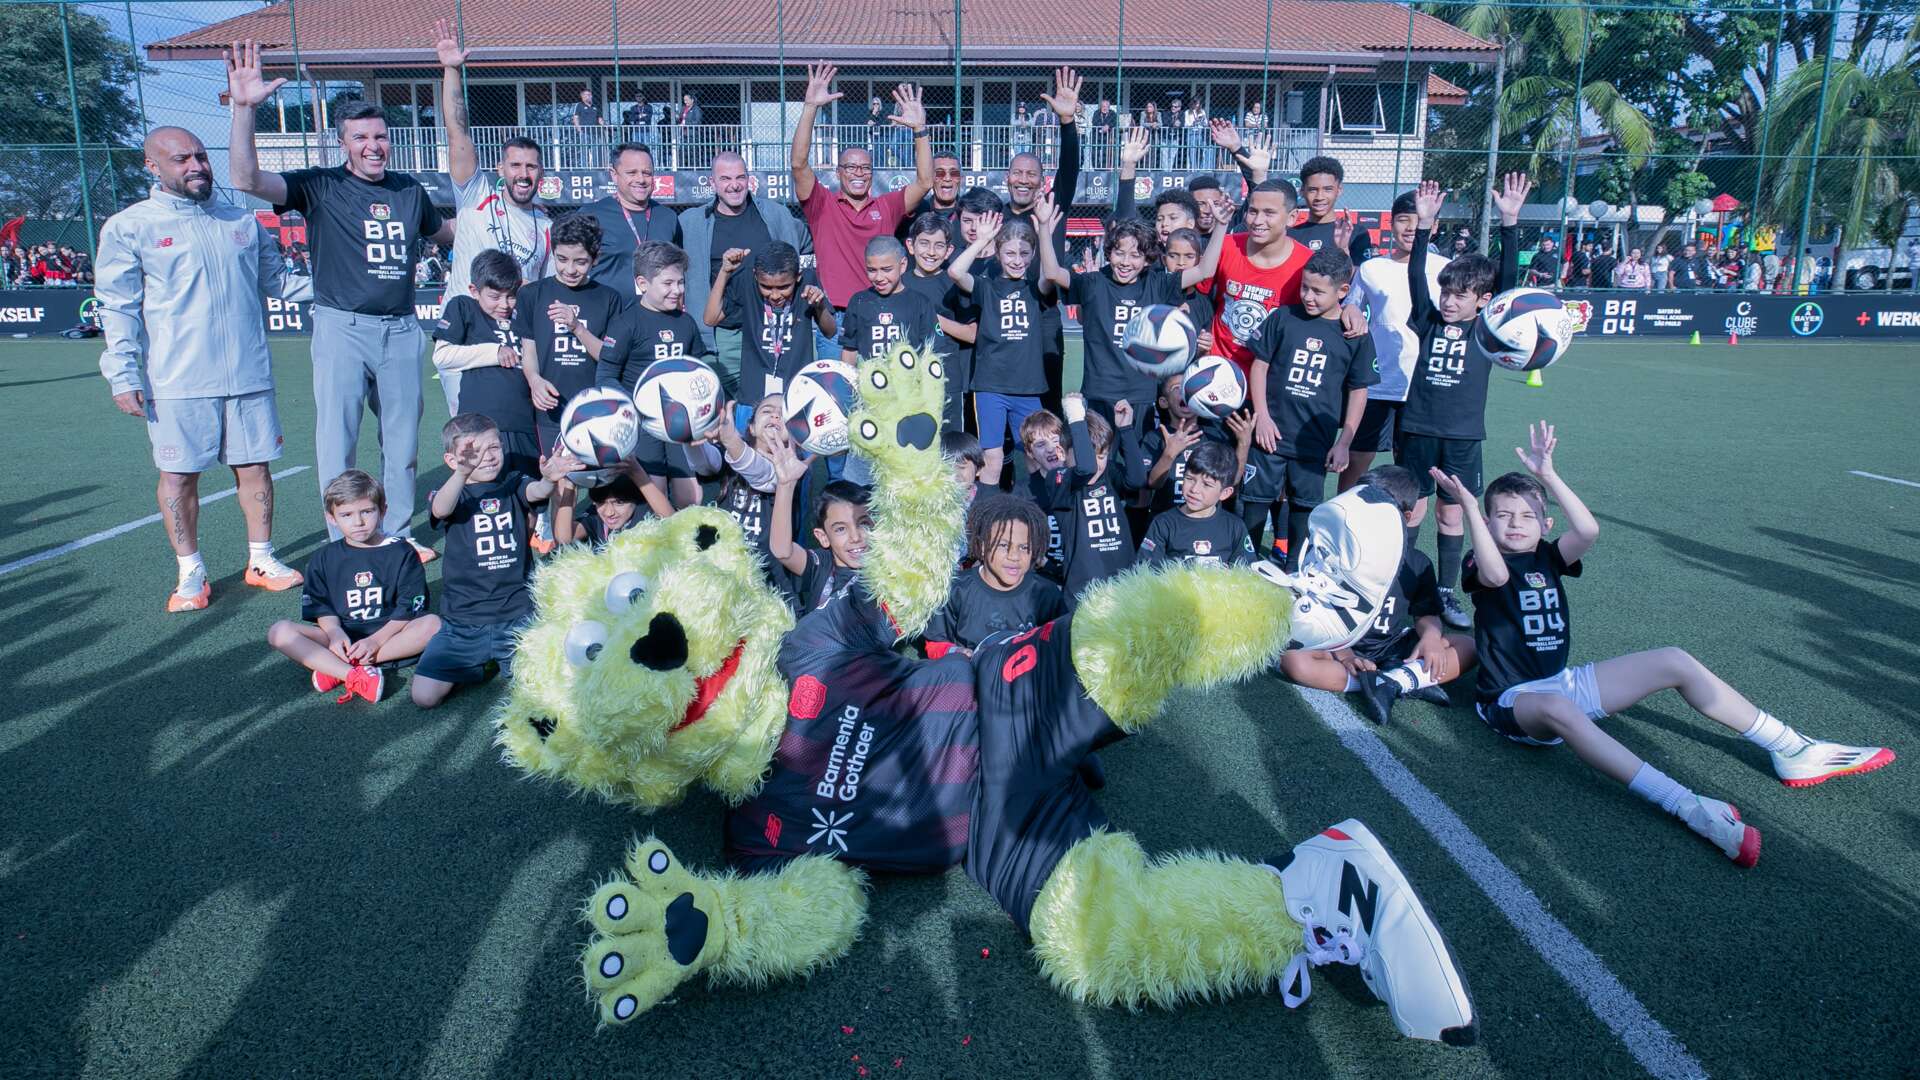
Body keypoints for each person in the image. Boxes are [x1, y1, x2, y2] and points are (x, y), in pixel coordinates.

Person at [1439, 423, 1893, 866]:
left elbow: (1589, 532)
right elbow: (1496, 575)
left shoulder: (1548, 555)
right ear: (1487, 522)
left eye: (1527, 516)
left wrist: (1549, 476)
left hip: (1562, 682)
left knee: (1674, 660)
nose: (1516, 524)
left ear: (1545, 523)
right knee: (1561, 710)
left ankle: (1791, 747)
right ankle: (1685, 804)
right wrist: (1470, 509)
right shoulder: (1482, 559)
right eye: (1503, 515)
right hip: (1513, 702)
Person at [228, 41, 452, 561]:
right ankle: (343, 542)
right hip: (341, 328)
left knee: (402, 445)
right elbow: (245, 178)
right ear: (342, 142)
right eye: (361, 137)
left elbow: (445, 233)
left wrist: (499, 209)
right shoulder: (320, 185)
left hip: (401, 329)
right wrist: (244, 109)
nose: (373, 146)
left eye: (380, 136)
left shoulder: (408, 189)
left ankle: (397, 533)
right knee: (338, 444)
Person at [95, 124, 314, 611]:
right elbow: (117, 306)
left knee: (255, 467)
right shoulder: (131, 226)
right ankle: (190, 571)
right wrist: (123, 374)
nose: (196, 166)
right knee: (179, 477)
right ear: (152, 166)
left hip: (248, 373)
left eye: (200, 156)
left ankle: (262, 559)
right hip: (177, 379)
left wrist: (353, 282)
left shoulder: (241, 221)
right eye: (181, 159)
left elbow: (280, 283)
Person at [1396, 177, 1522, 630]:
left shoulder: (1488, 330)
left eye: (1459, 296)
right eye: (1445, 293)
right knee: (1412, 508)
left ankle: (1446, 591)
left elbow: (1508, 285)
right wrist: (1424, 226)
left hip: (1463, 435)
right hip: (1418, 427)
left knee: (1452, 511)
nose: (1448, 302)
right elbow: (1416, 277)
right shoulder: (1428, 318)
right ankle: (1400, 584)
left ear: (1483, 302)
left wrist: (1510, 222)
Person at [1279, 464, 1472, 725]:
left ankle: (1389, 682)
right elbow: (1319, 611)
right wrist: (1346, 654)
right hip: (1341, 644)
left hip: (1393, 648)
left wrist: (1431, 637)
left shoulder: (1416, 563)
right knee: (1294, 661)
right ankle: (1400, 681)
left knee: (1467, 647)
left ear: (1405, 517)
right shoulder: (1335, 554)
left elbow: (1426, 614)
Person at [413, 414, 580, 707]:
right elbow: (440, 510)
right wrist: (462, 474)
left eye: (494, 447)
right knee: (424, 696)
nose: (488, 457)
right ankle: (479, 662)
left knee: (541, 689)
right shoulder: (452, 492)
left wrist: (548, 479)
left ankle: (494, 658)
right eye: (474, 452)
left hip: (517, 614)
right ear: (451, 460)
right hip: (462, 622)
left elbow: (536, 492)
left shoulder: (513, 482)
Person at [431, 19, 551, 414]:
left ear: (541, 173)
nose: (523, 173)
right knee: (468, 431)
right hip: (466, 337)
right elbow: (457, 133)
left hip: (515, 343)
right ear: (500, 169)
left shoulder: (546, 227)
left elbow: (542, 291)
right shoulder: (476, 195)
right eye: (515, 165)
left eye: (531, 166)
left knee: (509, 432)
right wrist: (452, 70)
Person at [1034, 198, 1222, 442]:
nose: (1125, 262)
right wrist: (1043, 227)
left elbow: (1205, 271)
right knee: (1098, 459)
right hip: (1099, 392)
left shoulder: (1158, 284)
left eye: (1135, 255)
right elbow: (1052, 272)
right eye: (1119, 253)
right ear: (1109, 253)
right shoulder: (1093, 283)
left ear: (1148, 260)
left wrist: (1221, 225)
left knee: (1136, 462)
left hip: (1141, 395)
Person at [1246, 248, 1378, 569]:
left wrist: (1344, 442)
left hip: (1314, 440)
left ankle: (1295, 569)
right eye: (1305, 287)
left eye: (1318, 291)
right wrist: (1262, 417)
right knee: (1253, 502)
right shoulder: (1283, 317)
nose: (1308, 296)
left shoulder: (1354, 335)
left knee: (1304, 507)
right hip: (1269, 434)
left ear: (1342, 291)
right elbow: (1259, 366)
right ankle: (1244, 564)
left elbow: (1358, 390)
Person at [267, 470, 438, 703]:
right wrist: (335, 634)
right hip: (341, 637)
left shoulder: (402, 551)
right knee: (279, 632)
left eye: (367, 511)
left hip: (390, 636)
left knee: (433, 625)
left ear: (383, 510)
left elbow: (409, 607)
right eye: (346, 514)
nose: (358, 522)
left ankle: (336, 667)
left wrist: (375, 641)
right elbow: (322, 606)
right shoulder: (323, 557)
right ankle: (352, 674)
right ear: (331, 517)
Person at [791, 64, 935, 342]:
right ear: (838, 173)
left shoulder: (887, 207)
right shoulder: (822, 204)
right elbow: (798, 164)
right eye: (851, 167)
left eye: (865, 168)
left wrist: (920, 129)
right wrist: (810, 108)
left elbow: (925, 181)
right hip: (836, 318)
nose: (859, 173)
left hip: (880, 314)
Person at [1336, 188, 1453, 494]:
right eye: (1403, 219)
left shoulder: (1446, 268)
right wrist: (1351, 310)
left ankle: (1404, 523)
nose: (1411, 227)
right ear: (1391, 223)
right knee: (1358, 459)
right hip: (1378, 384)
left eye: (1419, 219)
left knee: (1414, 469)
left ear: (1434, 225)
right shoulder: (1372, 268)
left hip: (1422, 386)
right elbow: (1350, 304)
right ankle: (1343, 512)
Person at [678, 151, 814, 397]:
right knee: (723, 406)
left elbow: (803, 251)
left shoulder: (776, 215)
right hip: (724, 335)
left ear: (749, 179)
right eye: (725, 179)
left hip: (771, 331)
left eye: (740, 177)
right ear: (712, 182)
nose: (734, 185)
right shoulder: (690, 222)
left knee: (777, 405)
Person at [1200, 178, 1365, 377]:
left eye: (1269, 213)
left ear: (1292, 217)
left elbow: (1328, 304)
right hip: (1218, 372)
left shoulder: (1307, 264)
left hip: (1272, 378)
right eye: (1253, 211)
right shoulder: (1225, 246)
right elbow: (1196, 293)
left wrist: (1350, 307)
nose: (1258, 221)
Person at [597, 241, 714, 508]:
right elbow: (605, 376)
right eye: (668, 283)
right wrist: (637, 407)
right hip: (644, 425)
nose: (678, 290)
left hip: (680, 424)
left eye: (681, 282)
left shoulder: (685, 322)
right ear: (643, 283)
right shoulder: (625, 323)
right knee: (654, 495)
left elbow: (699, 368)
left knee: (691, 498)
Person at [950, 211, 1058, 487]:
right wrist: (982, 240)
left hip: (1028, 388)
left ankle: (1039, 509)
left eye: (1024, 253)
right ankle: (988, 510)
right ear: (997, 254)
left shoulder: (1036, 289)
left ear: (1033, 255)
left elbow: (1051, 273)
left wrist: (1044, 230)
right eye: (1010, 253)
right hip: (991, 388)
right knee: (993, 459)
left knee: (1038, 455)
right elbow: (955, 272)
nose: (1017, 260)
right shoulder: (986, 287)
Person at [515, 214, 630, 465]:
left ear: (595, 258)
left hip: (596, 406)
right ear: (553, 253)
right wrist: (534, 380)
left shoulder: (609, 298)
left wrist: (577, 327)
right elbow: (529, 351)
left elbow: (609, 357)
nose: (569, 269)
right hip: (550, 407)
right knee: (559, 476)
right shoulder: (532, 294)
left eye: (580, 262)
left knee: (598, 477)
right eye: (562, 259)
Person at [432, 249, 537, 479]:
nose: (504, 304)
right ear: (474, 291)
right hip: (480, 426)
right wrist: (494, 352)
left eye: (511, 296)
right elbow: (442, 356)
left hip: (525, 424)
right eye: (495, 296)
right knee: (483, 489)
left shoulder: (525, 314)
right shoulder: (464, 307)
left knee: (530, 491)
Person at [1030, 395, 1144, 602]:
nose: (1097, 464)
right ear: (1061, 453)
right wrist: (1075, 417)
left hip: (1123, 585)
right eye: (1089, 455)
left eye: (1102, 456)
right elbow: (1085, 468)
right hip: (1083, 591)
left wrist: (1125, 429)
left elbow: (1137, 480)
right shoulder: (1059, 479)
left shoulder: (1108, 475)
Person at [924, 493, 1067, 656]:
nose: (1014, 556)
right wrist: (957, 653)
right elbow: (935, 642)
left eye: (1024, 547)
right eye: (1003, 545)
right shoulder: (956, 590)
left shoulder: (1045, 593)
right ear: (982, 547)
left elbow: (1060, 645)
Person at [706, 241, 834, 416]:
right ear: (755, 276)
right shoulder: (746, 281)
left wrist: (819, 306)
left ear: (798, 276)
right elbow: (711, 318)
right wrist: (724, 272)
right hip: (752, 395)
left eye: (783, 287)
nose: (774, 295)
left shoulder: (808, 283)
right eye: (766, 287)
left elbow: (830, 331)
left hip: (796, 393)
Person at [902, 212, 976, 431]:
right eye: (924, 243)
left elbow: (972, 334)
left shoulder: (954, 284)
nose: (931, 252)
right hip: (907, 380)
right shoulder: (899, 284)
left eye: (939, 246)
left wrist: (933, 318)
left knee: (949, 444)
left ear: (949, 251)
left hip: (946, 380)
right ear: (911, 245)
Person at [1136, 439, 1257, 566]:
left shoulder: (1235, 527)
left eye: (1207, 484)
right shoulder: (1163, 523)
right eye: (1190, 479)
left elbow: (1246, 570)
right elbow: (1146, 569)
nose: (1194, 489)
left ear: (1225, 493)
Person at [583, 143, 682, 293]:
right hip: (606, 308)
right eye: (632, 173)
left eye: (647, 173)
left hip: (657, 308)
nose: (641, 179)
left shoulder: (668, 217)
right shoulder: (591, 216)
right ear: (614, 175)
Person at [770, 473, 872, 615]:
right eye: (841, 529)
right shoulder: (823, 564)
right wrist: (785, 485)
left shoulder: (890, 568)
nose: (855, 537)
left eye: (863, 524)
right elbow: (783, 552)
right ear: (823, 537)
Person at [839, 236, 938, 365]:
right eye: (872, 270)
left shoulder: (920, 303)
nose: (879, 277)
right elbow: (849, 350)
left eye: (886, 270)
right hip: (868, 377)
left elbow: (930, 352)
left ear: (902, 265)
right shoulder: (859, 301)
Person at [1292, 156, 1375, 264]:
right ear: (1302, 191)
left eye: (1328, 189)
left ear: (1339, 190)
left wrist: (1343, 249)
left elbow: (1360, 273)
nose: (1319, 197)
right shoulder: (1291, 235)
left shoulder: (1357, 234)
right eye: (1313, 190)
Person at [897, 153, 965, 245]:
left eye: (954, 173)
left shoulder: (969, 213)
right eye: (940, 173)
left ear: (961, 179)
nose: (947, 178)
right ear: (930, 178)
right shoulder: (916, 212)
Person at [571, 88, 603, 169]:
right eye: (586, 95)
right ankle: (585, 169)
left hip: (595, 133)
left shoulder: (595, 106)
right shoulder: (579, 105)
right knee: (584, 151)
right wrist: (579, 130)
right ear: (582, 96)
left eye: (589, 95)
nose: (588, 97)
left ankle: (596, 168)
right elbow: (575, 118)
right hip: (584, 132)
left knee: (595, 151)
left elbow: (600, 119)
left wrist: (604, 125)